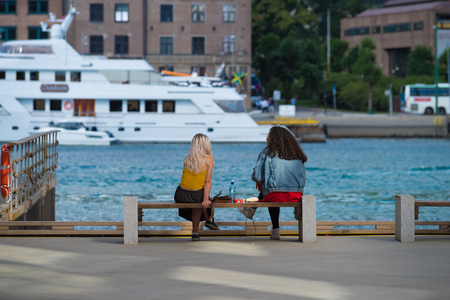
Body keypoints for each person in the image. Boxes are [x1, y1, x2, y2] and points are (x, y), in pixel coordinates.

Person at [251, 126, 307, 240]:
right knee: (273, 188)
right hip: (296, 195)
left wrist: (260, 181)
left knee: (272, 190)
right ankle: (252, 210)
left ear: (274, 139)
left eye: (268, 136)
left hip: (274, 195)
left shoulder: (267, 152)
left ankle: (275, 227)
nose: (266, 139)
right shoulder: (297, 154)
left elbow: (256, 176)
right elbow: (303, 179)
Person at [174, 133, 220, 241]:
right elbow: (207, 181)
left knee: (197, 199)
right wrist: (205, 199)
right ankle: (207, 221)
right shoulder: (209, 158)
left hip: (180, 194)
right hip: (196, 195)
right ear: (206, 145)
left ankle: (197, 232)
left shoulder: (186, 159)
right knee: (201, 199)